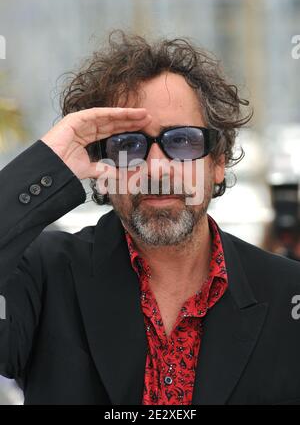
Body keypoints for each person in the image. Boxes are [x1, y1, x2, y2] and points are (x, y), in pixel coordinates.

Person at [1, 30, 300, 406]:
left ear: (218, 162)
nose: (156, 167)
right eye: (128, 145)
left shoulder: (288, 292)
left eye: (183, 141)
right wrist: (47, 163)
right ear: (101, 164)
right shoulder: (43, 274)